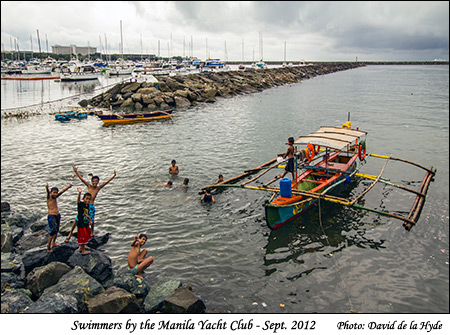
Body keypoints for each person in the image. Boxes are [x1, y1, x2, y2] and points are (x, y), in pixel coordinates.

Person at [70, 165, 116, 237]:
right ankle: (70, 233)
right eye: (93, 181)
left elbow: (106, 182)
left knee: (92, 220)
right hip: (85, 205)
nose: (95, 183)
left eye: (96, 181)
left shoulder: (98, 188)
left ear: (98, 182)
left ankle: (92, 233)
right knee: (77, 218)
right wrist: (76, 171)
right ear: (91, 181)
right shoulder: (89, 186)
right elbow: (82, 179)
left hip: (91, 206)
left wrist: (113, 176)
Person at [46, 182, 72, 252]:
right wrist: (47, 188)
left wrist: (68, 187)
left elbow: (62, 192)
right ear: (51, 193)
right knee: (53, 230)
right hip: (51, 216)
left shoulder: (55, 197)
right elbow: (48, 193)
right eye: (54, 192)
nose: (55, 194)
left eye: (56, 193)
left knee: (57, 230)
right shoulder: (49, 198)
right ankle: (48, 245)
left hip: (57, 215)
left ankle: (53, 243)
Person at [75, 187, 92, 255]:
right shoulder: (81, 204)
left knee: (86, 235)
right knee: (82, 236)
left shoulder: (87, 206)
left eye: (89, 199)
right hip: (81, 223)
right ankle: (83, 250)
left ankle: (82, 247)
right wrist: (79, 193)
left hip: (85, 222)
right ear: (83, 199)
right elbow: (78, 201)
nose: (87, 200)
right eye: (86, 199)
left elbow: (86, 214)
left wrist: (90, 219)